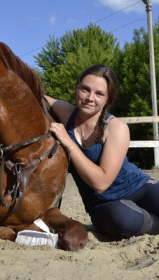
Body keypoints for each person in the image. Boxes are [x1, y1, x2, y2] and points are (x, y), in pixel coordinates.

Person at [45, 64, 159, 238]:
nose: (90, 98)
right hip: (105, 205)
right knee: (121, 220)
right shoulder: (66, 112)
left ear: (108, 99)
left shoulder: (116, 127)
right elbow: (36, 95)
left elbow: (101, 182)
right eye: (85, 89)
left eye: (99, 94)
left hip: (140, 187)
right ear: (76, 88)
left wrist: (68, 142)